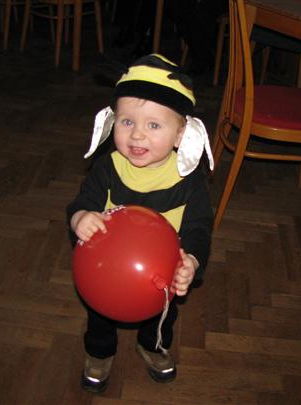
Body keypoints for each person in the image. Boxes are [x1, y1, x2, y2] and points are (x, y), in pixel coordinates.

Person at [66, 53, 214, 393]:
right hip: (105, 271)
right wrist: (80, 218)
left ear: (180, 134)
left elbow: (199, 228)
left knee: (163, 313)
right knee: (99, 313)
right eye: (127, 121)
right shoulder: (107, 168)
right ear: (112, 121)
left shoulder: (188, 181)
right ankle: (99, 352)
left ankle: (153, 345)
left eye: (154, 125)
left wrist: (191, 261)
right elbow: (81, 202)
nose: (137, 136)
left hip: (161, 275)